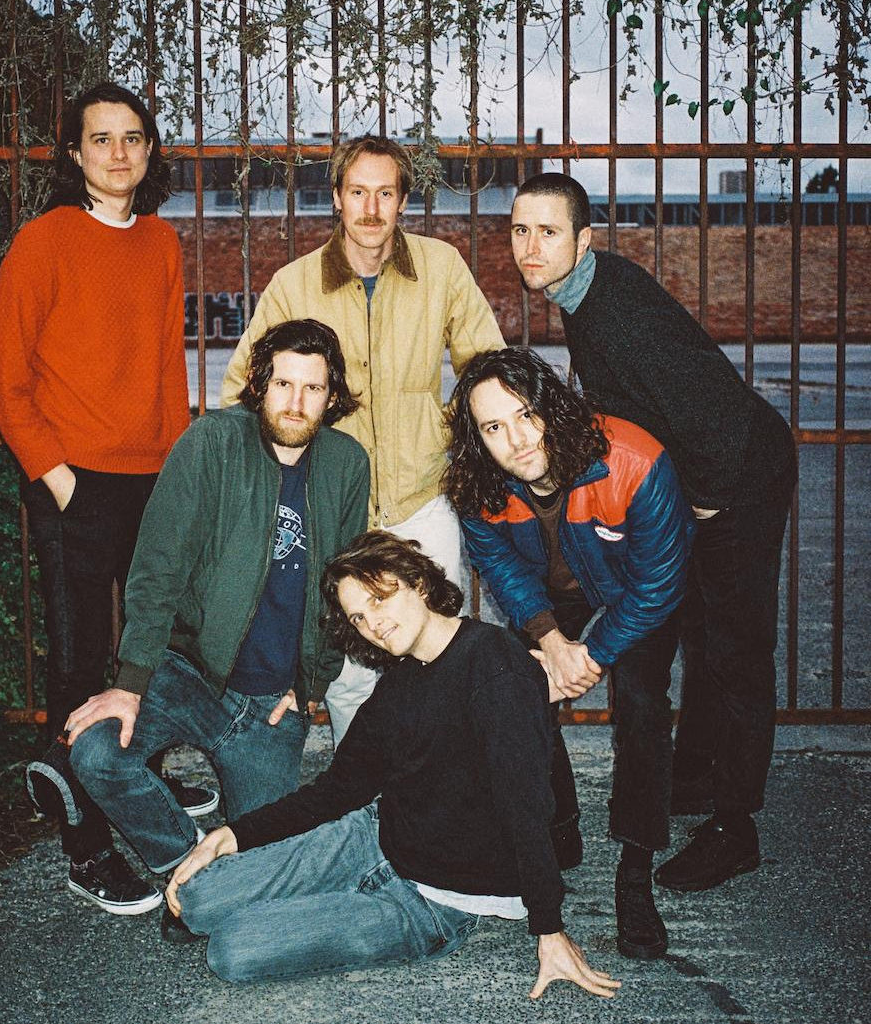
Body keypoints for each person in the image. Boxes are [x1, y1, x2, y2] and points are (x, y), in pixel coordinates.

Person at [161, 532, 620, 1001]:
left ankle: (317, 906)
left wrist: (549, 928)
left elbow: (525, 803)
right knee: (197, 900)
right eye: (358, 616)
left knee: (233, 951)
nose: (372, 624)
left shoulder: (493, 663)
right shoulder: (401, 682)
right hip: (377, 837)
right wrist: (234, 835)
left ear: (418, 584)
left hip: (436, 900)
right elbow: (338, 789)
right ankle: (306, 892)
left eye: (380, 599)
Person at [509, 172, 797, 893]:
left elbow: (707, 414)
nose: (530, 247)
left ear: (583, 239)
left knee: (735, 648)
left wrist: (698, 508)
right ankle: (695, 778)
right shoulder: (582, 291)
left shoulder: (615, 309)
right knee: (698, 629)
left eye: (548, 232)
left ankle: (737, 826)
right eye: (520, 230)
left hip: (738, 472)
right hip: (706, 468)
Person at [0, 81, 216, 915]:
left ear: (149, 152)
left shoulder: (160, 242)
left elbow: (163, 369)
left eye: (133, 138)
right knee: (81, 660)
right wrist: (58, 477)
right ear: (75, 154)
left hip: (150, 477)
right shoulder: (42, 243)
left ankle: (134, 777)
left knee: (143, 649)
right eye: (101, 139)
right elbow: (4, 382)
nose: (119, 152)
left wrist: (176, 469)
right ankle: (83, 840)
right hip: (72, 481)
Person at [62, 319, 370, 911]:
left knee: (262, 879)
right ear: (260, 383)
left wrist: (313, 685)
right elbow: (157, 566)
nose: (296, 402)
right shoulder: (212, 443)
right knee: (96, 753)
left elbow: (344, 583)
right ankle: (185, 864)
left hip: (270, 711)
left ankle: (222, 879)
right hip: (189, 674)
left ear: (332, 396)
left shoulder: (346, 464)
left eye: (312, 388)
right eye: (283, 384)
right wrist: (130, 685)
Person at [220, 135, 505, 742]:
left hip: (422, 501)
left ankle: (433, 794)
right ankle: (365, 798)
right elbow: (244, 387)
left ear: (404, 200)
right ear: (337, 199)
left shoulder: (441, 267)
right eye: (358, 192)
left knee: (433, 651)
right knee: (350, 670)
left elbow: (488, 367)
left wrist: (441, 424)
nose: (371, 208)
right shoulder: (295, 285)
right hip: (334, 507)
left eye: (385, 193)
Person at [445, 347, 694, 959]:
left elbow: (660, 582)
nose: (517, 440)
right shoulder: (474, 480)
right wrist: (551, 643)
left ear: (552, 406)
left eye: (526, 415)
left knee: (641, 704)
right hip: (552, 602)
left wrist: (592, 656)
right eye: (494, 427)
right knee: (518, 684)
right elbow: (499, 564)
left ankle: (634, 873)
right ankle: (559, 829)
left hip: (631, 594)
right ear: (476, 437)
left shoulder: (634, 458)